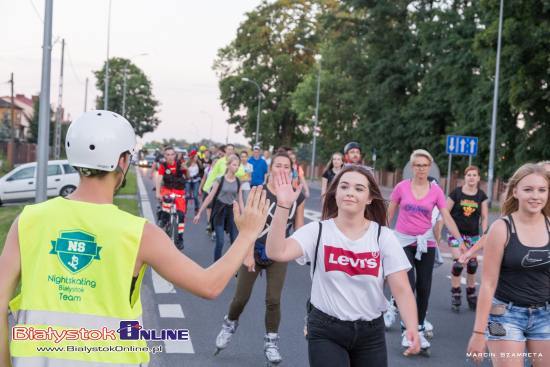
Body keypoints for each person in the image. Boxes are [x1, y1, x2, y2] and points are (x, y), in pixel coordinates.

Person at [0, 110, 271, 367]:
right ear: (122, 162)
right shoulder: (139, 233)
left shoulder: (28, 221)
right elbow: (209, 285)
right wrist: (246, 235)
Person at [265, 165, 420, 366]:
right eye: (344, 186)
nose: (350, 193)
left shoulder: (384, 237)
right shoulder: (317, 231)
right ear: (335, 193)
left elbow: (402, 289)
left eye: (359, 189)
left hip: (371, 334)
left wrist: (412, 327)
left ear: (370, 198)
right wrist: (283, 206)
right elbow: (276, 252)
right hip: (325, 330)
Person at [213, 150, 306, 365]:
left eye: (286, 166)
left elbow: (299, 228)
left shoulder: (296, 196)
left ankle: (271, 342)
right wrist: (247, 254)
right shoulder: (259, 191)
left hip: (279, 251)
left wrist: (302, 251)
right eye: (278, 165)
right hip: (254, 248)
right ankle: (230, 323)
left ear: (291, 171)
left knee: (273, 300)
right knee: (241, 298)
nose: (282, 169)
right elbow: (249, 227)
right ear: (270, 168)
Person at [467, 163, 550, 367]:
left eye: (542, 190)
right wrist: (478, 333)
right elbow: (487, 284)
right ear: (515, 191)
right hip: (504, 316)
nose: (535, 196)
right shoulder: (501, 228)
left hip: (545, 315)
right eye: (528, 189)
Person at [386, 149, 465, 353]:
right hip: (403, 241)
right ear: (412, 167)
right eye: (417, 165)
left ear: (429, 168)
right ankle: (407, 329)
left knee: (424, 287)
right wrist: (380, 235)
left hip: (426, 243)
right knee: (408, 285)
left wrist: (460, 240)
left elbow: (446, 216)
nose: (421, 169)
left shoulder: (436, 191)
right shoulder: (401, 187)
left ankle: (419, 328)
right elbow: (389, 213)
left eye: (424, 165)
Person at [443, 166, 488, 312]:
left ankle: (471, 292)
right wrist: (440, 229)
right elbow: (445, 212)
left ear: (478, 178)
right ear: (465, 177)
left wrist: (485, 233)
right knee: (459, 263)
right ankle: (456, 293)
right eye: (469, 175)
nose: (472, 177)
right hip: (456, 234)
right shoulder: (456, 193)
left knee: (472, 265)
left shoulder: (481, 196)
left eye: (474, 175)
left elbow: (485, 216)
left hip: (473, 235)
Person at [194, 154, 244, 261]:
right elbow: (210, 197)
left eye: (238, 165)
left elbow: (240, 200)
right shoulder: (219, 180)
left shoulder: (239, 181)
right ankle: (216, 264)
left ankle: (234, 265)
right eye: (234, 165)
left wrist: (243, 215)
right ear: (228, 165)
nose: (236, 167)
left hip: (231, 212)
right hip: (220, 212)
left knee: (234, 240)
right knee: (220, 241)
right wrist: (199, 213)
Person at [155, 146, 188, 249]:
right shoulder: (163, 166)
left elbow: (188, 177)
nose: (170, 156)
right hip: (167, 190)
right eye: (167, 154)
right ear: (165, 156)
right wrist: (158, 193)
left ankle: (180, 239)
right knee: (167, 200)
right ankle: (164, 220)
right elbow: (159, 179)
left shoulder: (180, 164)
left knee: (181, 216)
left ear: (175, 155)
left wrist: (186, 169)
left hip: (179, 191)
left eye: (172, 154)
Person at [185, 150, 202, 215]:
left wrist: (198, 176)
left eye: (197, 157)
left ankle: (197, 208)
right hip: (188, 180)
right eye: (195, 157)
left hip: (196, 180)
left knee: (195, 195)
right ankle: (184, 209)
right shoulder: (187, 163)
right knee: (187, 196)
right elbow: (183, 172)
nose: (197, 158)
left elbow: (202, 172)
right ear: (192, 157)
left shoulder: (199, 163)